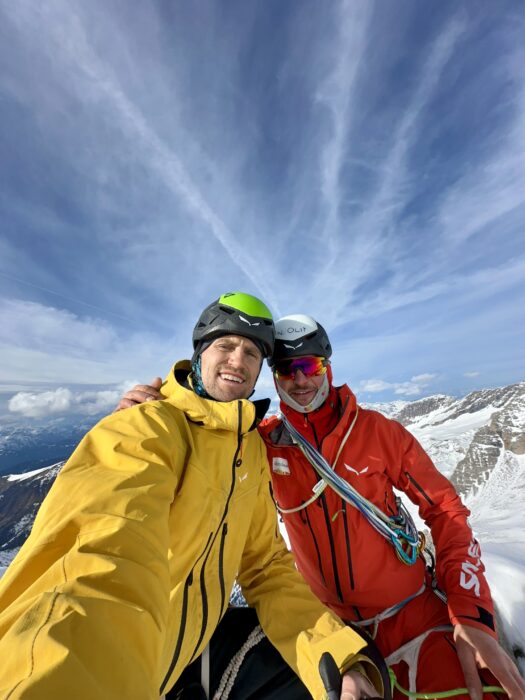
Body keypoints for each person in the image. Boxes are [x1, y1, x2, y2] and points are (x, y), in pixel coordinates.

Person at [120, 313, 525, 700]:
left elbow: (446, 510)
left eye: (309, 365)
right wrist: (154, 416)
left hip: (415, 619)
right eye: (285, 369)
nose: (299, 380)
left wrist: (472, 616)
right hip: (329, 628)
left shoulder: (381, 434)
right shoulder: (261, 442)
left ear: (327, 366)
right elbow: (205, 440)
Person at [0, 294, 384, 700]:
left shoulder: (249, 450)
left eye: (252, 352)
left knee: (351, 666)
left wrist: (337, 657)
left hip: (189, 655)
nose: (238, 360)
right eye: (225, 345)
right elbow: (101, 558)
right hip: (123, 665)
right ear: (199, 354)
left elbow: (265, 567)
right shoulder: (145, 427)